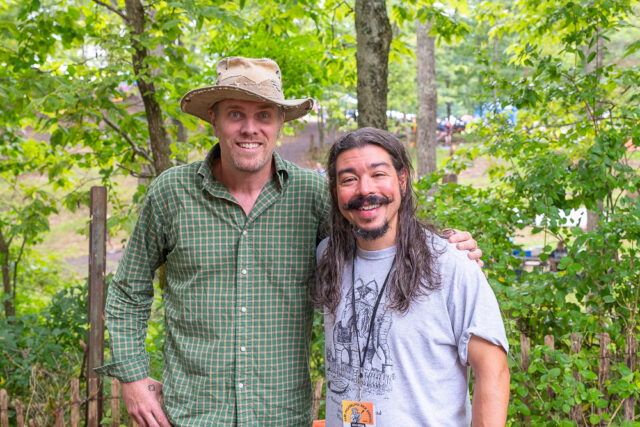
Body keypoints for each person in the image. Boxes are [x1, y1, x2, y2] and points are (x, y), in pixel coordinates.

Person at [96, 57, 482, 426]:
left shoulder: (312, 196)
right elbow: (129, 292)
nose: (250, 128)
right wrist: (132, 378)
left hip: (282, 416)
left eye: (263, 115)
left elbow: (376, 234)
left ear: (281, 122)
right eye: (236, 114)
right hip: (193, 416)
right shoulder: (171, 194)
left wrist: (442, 245)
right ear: (213, 119)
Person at [314, 127, 510, 426]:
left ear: (402, 180)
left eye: (378, 174)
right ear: (335, 191)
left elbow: (492, 371)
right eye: (349, 179)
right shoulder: (327, 257)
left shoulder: (450, 264)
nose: (365, 190)